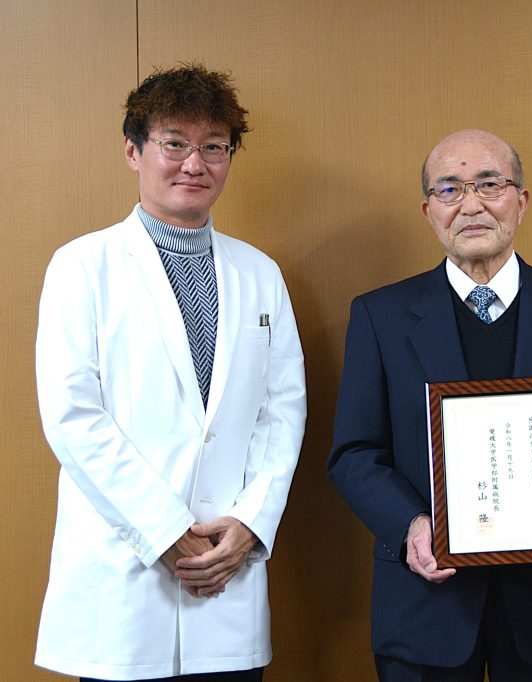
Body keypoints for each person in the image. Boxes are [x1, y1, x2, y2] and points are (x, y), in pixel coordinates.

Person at [34, 64, 307, 681]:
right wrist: (164, 531)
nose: (194, 164)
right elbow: (73, 417)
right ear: (133, 151)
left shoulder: (260, 273)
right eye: (174, 143)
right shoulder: (83, 266)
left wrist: (250, 522)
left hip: (228, 572)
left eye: (214, 147)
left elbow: (282, 411)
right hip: (123, 579)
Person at [329, 129, 532, 681]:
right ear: (428, 210)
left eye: (490, 185)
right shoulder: (380, 316)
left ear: (521, 201)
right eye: (449, 189)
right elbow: (355, 452)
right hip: (425, 602)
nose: (471, 205)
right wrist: (411, 524)